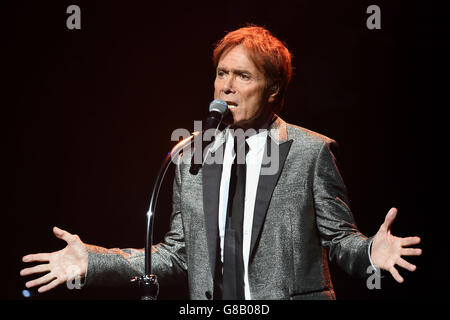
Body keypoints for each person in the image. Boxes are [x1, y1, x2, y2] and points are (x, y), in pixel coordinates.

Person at [20, 25, 422, 300]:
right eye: (221, 73)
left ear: (273, 87)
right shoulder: (191, 154)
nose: (226, 86)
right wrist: (94, 260)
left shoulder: (310, 151)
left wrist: (371, 252)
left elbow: (339, 241)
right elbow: (176, 254)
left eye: (243, 76)